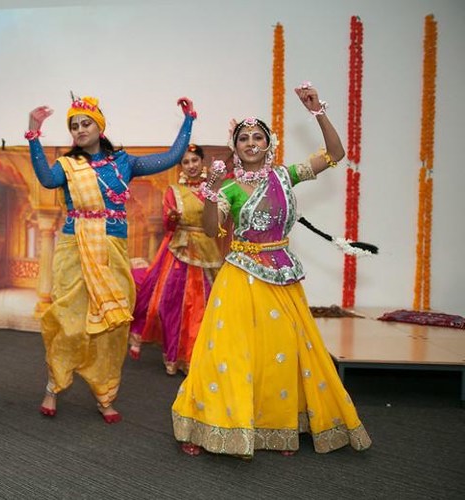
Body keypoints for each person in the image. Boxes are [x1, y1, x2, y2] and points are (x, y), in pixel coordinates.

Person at [172, 84, 372, 458]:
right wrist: (212, 194)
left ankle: (277, 426)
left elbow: (334, 154)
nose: (250, 142)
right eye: (243, 138)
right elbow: (213, 229)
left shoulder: (285, 175)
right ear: (235, 148)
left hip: (280, 274)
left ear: (268, 143)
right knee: (231, 352)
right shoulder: (229, 186)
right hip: (240, 275)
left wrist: (317, 111)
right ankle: (214, 422)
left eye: (257, 136)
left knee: (280, 351)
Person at [27, 95, 196, 423]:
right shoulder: (67, 165)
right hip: (73, 249)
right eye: (74, 126)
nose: (79, 130)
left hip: (112, 250)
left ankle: (105, 394)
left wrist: (188, 120)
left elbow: (171, 157)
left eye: (85, 123)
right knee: (69, 322)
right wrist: (34, 132)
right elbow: (46, 180)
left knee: (111, 326)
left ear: (100, 126)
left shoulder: (124, 163)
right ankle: (54, 385)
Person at [129, 144, 225, 375]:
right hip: (179, 253)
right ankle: (174, 357)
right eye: (186, 162)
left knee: (203, 307)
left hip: (207, 253)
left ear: (202, 162)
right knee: (173, 306)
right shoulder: (174, 191)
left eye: (194, 161)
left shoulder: (214, 189)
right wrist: (171, 218)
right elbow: (168, 225)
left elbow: (219, 222)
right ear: (181, 166)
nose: (191, 166)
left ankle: (197, 358)